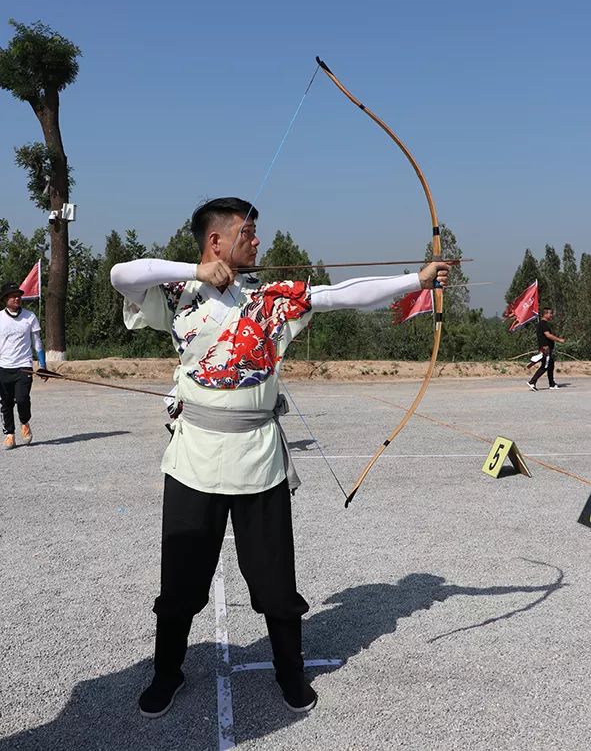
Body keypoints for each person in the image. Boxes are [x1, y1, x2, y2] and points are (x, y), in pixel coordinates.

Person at [110, 197, 449, 719]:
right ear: (215, 241)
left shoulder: (270, 298)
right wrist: (196, 270)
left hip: (258, 459)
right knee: (181, 583)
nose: (258, 241)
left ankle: (289, 672)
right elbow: (121, 273)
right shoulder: (178, 293)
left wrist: (415, 281)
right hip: (192, 459)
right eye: (247, 232)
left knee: (274, 583)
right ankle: (166, 672)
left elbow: (343, 295)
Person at [0, 281, 46, 450]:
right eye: (13, 296)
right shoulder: (0, 318)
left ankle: (24, 422)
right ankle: (9, 435)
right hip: (3, 366)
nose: (17, 298)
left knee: (22, 399)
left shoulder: (29, 317)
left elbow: (37, 343)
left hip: (23, 366)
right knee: (5, 403)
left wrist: (42, 365)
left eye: (18, 295)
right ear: (6, 299)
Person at [527, 308, 565, 391]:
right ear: (545, 314)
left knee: (551, 365)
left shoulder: (544, 324)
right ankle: (532, 382)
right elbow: (548, 335)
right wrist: (559, 340)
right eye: (550, 313)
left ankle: (552, 384)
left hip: (548, 349)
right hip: (545, 349)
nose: (551, 315)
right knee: (545, 366)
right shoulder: (543, 324)